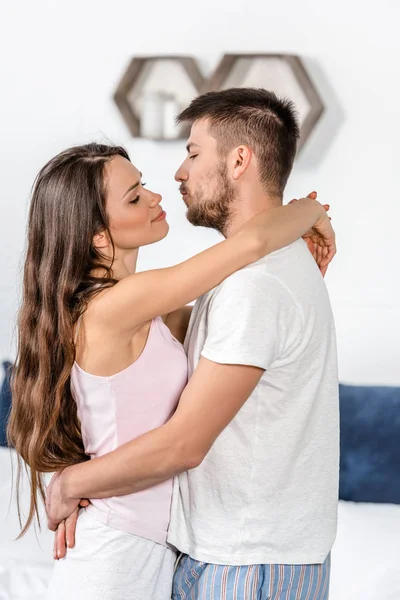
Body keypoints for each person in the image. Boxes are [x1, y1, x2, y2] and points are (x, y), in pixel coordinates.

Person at [7, 126, 335, 597]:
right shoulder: (118, 306)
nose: (158, 194)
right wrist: (311, 211)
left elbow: (226, 313)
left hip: (148, 547)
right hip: (117, 553)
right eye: (135, 197)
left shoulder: (140, 310)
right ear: (99, 237)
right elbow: (249, 246)